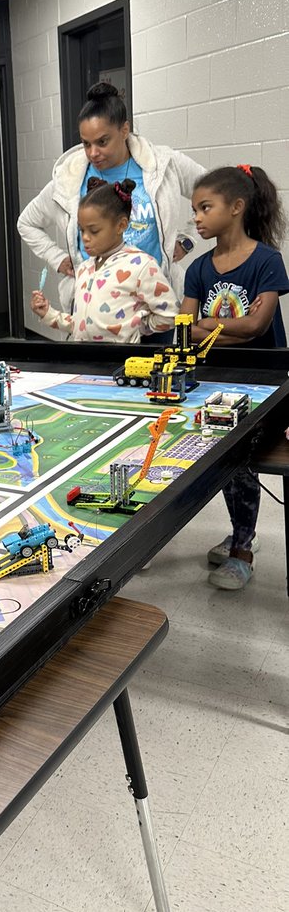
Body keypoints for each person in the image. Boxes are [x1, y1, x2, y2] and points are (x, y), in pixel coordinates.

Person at [180, 163, 289, 591]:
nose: (197, 218)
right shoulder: (198, 269)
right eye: (195, 209)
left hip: (265, 386)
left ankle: (243, 549)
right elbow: (186, 330)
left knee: (242, 463)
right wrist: (219, 330)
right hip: (216, 383)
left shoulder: (267, 261)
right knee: (228, 465)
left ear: (237, 207)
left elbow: (258, 327)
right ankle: (241, 532)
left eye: (206, 207)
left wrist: (208, 327)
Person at [18, 82, 206, 326]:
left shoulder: (162, 165)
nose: (93, 152)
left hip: (153, 306)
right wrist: (57, 258)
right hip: (95, 311)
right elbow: (27, 223)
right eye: (86, 143)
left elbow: (213, 194)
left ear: (124, 130)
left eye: (102, 142)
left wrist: (187, 240)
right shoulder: (69, 179)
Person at [30, 177, 179, 342]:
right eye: (82, 230)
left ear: (121, 225)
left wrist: (136, 326)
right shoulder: (85, 268)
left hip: (119, 363)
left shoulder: (142, 266)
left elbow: (171, 315)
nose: (85, 238)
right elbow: (81, 325)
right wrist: (49, 314)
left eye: (94, 231)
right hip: (84, 361)